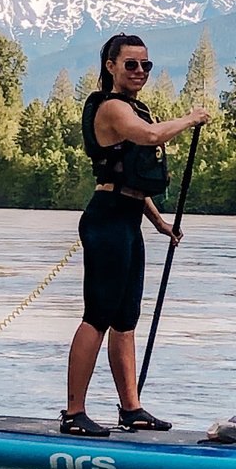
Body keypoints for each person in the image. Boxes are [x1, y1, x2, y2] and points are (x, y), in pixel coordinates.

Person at [61, 33, 210, 436]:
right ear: (110, 66)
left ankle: (131, 409)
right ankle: (74, 414)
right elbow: (148, 137)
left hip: (128, 218)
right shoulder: (111, 108)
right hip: (106, 219)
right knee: (98, 315)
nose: (140, 71)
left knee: (126, 319)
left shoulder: (134, 107)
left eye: (146, 65)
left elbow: (131, 181)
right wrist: (190, 119)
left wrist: (160, 223)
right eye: (131, 64)